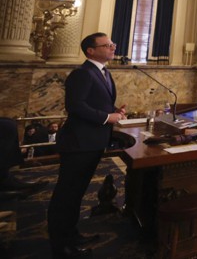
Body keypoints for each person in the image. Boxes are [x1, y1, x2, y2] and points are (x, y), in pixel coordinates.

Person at [49, 33, 127, 258]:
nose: (113, 47)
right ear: (91, 50)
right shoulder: (82, 73)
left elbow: (97, 103)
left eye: (112, 43)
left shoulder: (103, 72)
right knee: (67, 196)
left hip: (92, 142)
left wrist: (114, 112)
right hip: (78, 143)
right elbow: (75, 106)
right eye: (107, 45)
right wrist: (106, 117)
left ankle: (71, 235)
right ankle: (61, 246)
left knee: (77, 194)